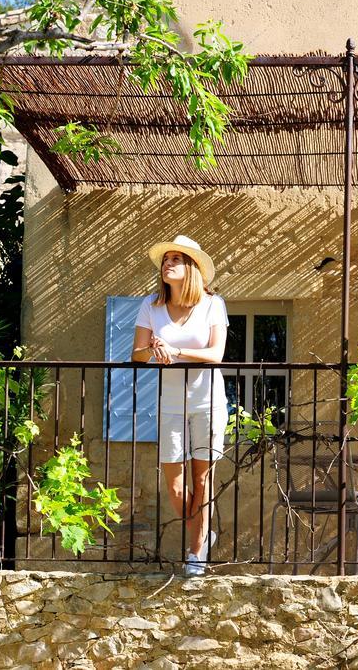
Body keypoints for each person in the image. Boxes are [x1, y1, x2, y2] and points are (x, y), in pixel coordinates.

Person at [131, 235, 228, 576]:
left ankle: (196, 551)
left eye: (177, 258)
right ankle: (203, 532)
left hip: (208, 403)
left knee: (202, 482)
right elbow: (137, 355)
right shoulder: (151, 306)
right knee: (174, 485)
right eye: (166, 258)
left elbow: (216, 355)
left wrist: (176, 352)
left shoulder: (213, 305)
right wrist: (155, 349)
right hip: (169, 403)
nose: (167, 263)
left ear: (192, 268)